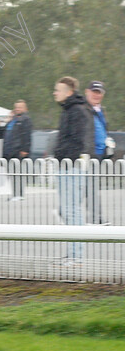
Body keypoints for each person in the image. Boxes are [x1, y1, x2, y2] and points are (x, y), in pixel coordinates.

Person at [53, 76, 94, 264]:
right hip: (65, 165)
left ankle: (76, 255)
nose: (55, 92)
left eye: (58, 89)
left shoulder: (77, 111)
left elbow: (78, 141)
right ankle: (73, 253)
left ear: (69, 92)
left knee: (72, 210)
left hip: (72, 166)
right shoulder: (68, 110)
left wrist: (63, 155)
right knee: (65, 209)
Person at [84, 80, 112, 225]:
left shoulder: (100, 110)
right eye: (94, 92)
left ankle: (96, 218)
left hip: (99, 155)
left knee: (91, 188)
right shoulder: (84, 109)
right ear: (87, 92)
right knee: (88, 187)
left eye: (99, 93)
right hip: (88, 155)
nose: (96, 95)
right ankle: (96, 218)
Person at [0, 100, 32, 201]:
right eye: (16, 107)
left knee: (18, 174)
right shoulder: (11, 121)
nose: (17, 109)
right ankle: (15, 194)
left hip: (18, 152)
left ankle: (19, 194)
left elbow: (27, 136)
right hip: (8, 152)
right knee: (11, 174)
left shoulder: (25, 120)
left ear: (25, 109)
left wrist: (25, 150)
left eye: (20, 107)